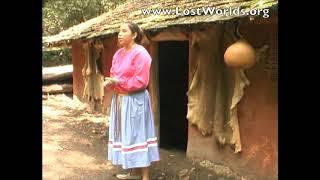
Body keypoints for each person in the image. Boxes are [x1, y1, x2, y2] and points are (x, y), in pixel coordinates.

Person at [104, 22, 160, 180]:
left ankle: (145, 176)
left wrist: (118, 82)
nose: (119, 34)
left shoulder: (141, 54)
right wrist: (111, 83)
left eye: (123, 31)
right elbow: (114, 74)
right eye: (118, 31)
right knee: (127, 136)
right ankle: (133, 173)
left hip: (136, 101)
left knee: (139, 135)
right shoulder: (118, 54)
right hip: (121, 101)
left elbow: (141, 81)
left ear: (134, 35)